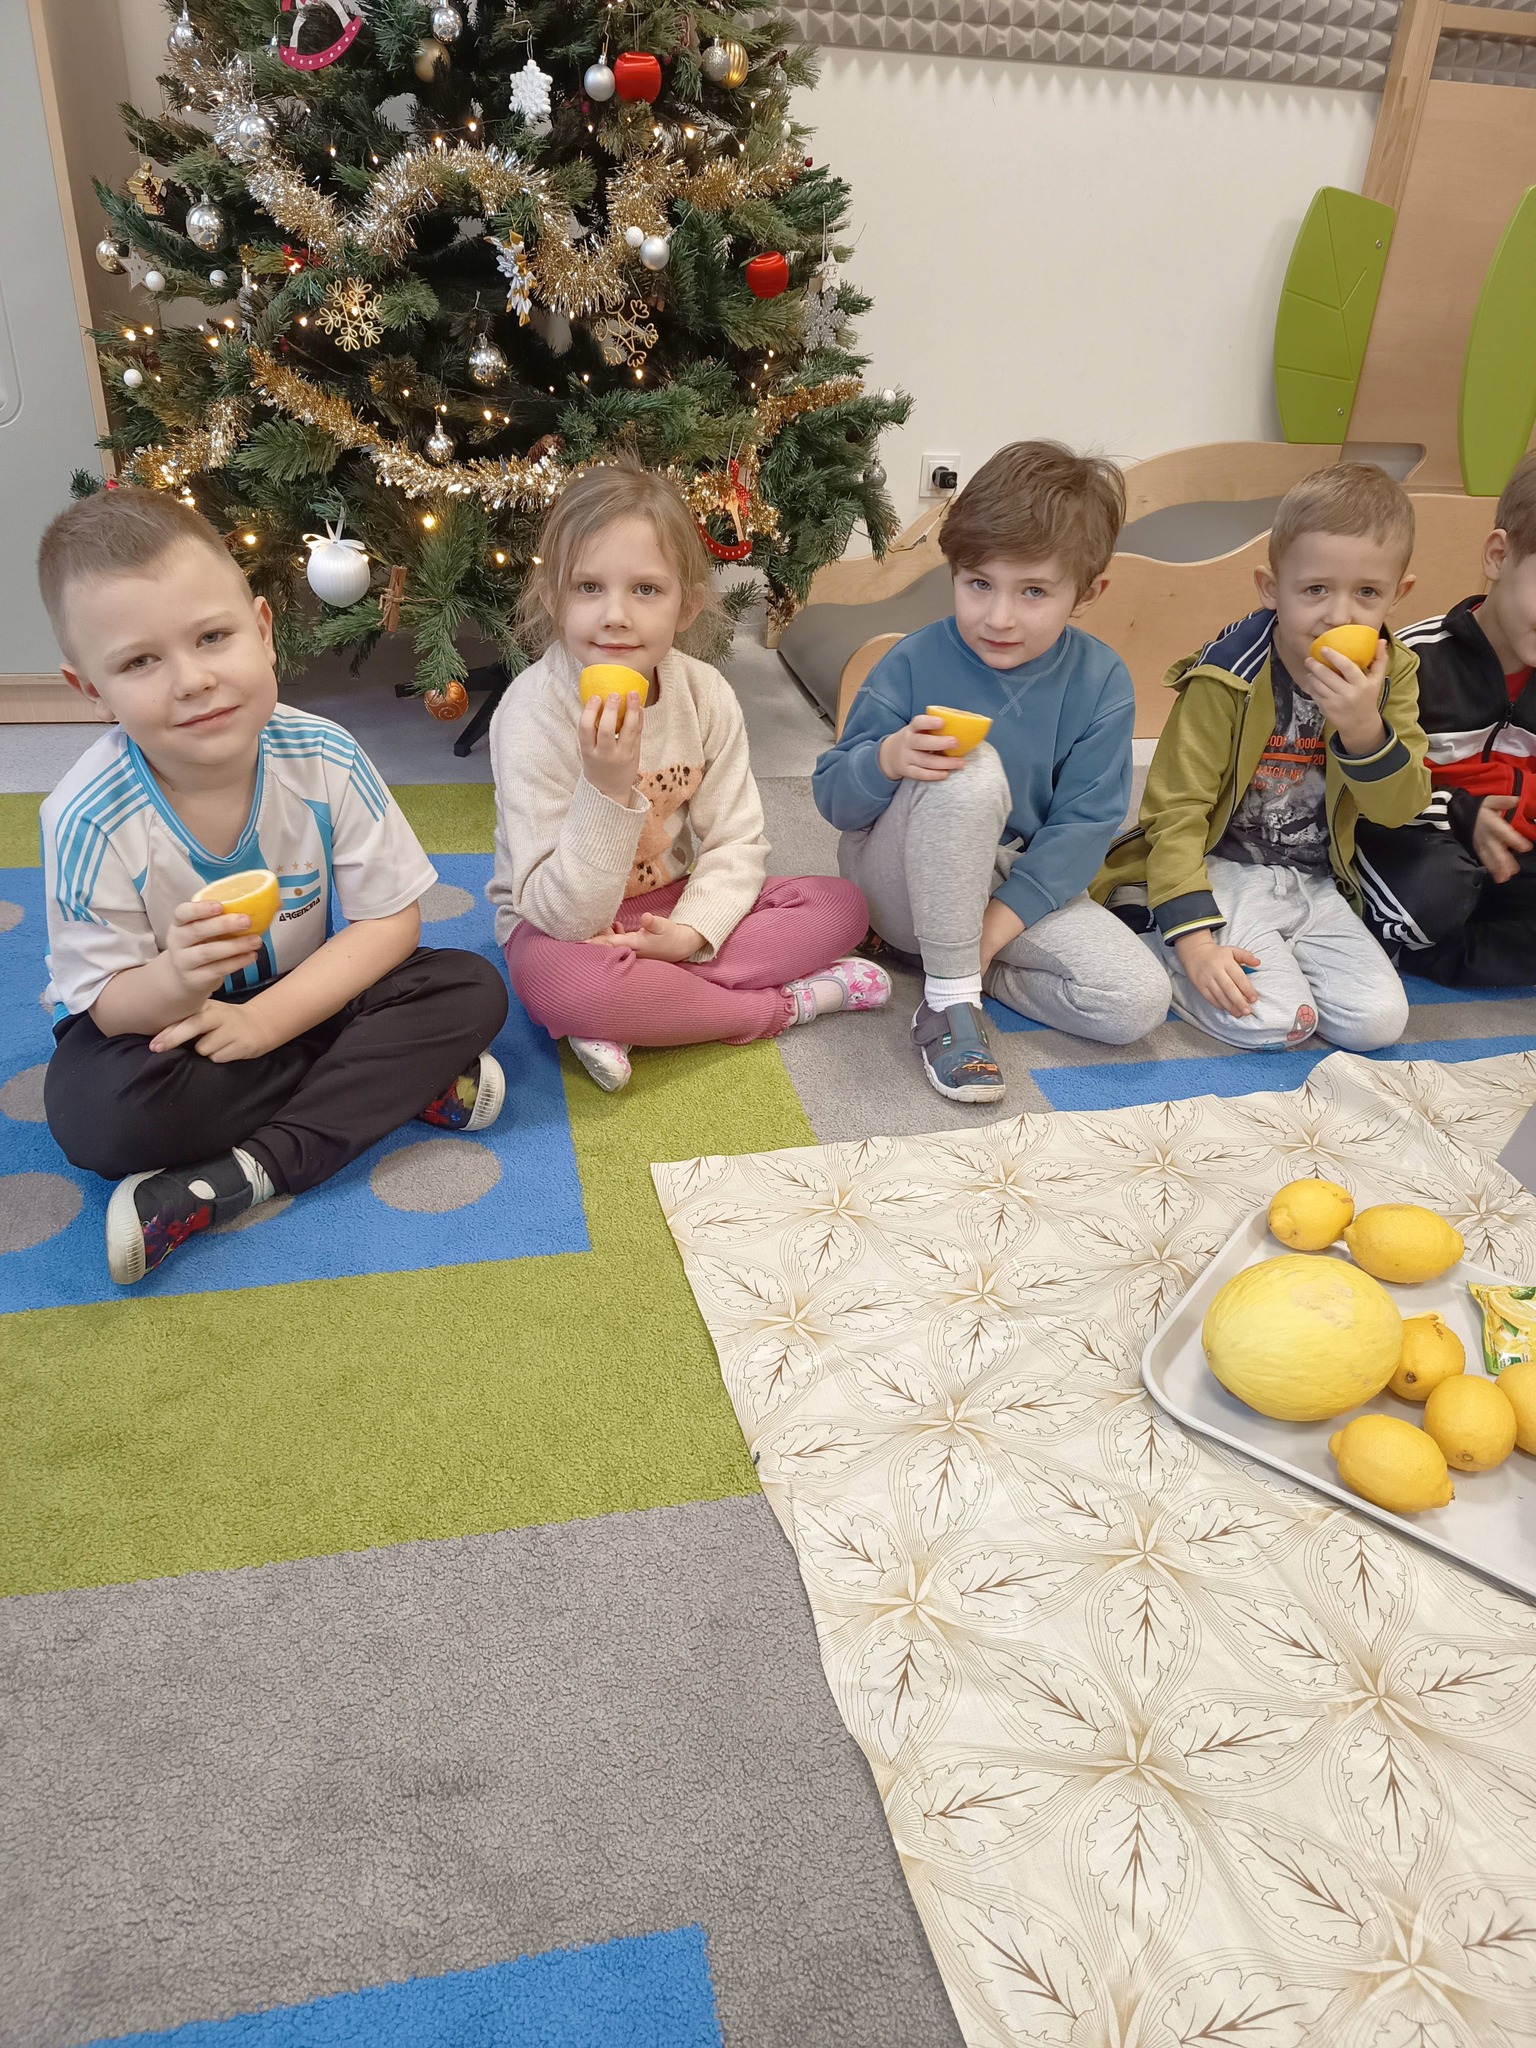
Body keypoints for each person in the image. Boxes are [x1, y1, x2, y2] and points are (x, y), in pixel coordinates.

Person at [36, 488, 509, 1285]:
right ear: (91, 691)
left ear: (261, 630)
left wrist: (264, 1023)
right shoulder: (87, 818)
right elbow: (108, 1005)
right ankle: (389, 1084)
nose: (192, 680)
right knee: (94, 1115)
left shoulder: (325, 755)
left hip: (304, 995)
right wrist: (177, 977)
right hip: (165, 1027)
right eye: (140, 662)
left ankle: (239, 1176)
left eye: (212, 637)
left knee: (468, 987)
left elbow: (389, 925)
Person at [489, 461, 887, 1091]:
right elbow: (560, 916)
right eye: (588, 587)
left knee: (842, 906)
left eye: (646, 589)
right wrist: (606, 786)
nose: (615, 615)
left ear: (687, 605)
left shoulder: (705, 693)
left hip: (670, 905)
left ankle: (648, 1005)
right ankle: (785, 1005)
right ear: (552, 597)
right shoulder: (530, 713)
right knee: (563, 989)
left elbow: (736, 841)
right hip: (561, 926)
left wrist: (691, 931)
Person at [811, 440, 1171, 1104]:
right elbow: (835, 800)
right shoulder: (911, 662)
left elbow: (1083, 829)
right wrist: (888, 760)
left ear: (1088, 593)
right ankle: (948, 1001)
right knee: (970, 768)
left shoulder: (1102, 681)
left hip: (1007, 886)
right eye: (979, 584)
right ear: (953, 573)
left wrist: (992, 933)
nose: (999, 617)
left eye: (1033, 591)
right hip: (899, 882)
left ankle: (952, 965)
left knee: (1137, 1000)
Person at [1095, 462, 1428, 1050]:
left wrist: (1364, 730)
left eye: (1367, 593)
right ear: (1271, 587)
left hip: (1316, 883)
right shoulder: (1226, 677)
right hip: (1223, 871)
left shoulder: (1392, 674)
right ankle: (1161, 934)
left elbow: (1399, 810)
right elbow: (1175, 811)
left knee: (1377, 1024)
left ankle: (1278, 951)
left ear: (1397, 595)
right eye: (1315, 589)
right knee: (1277, 1019)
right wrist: (1195, 943)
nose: (1340, 615)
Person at [1355, 451, 1536, 985]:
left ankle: (1451, 953)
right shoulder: (1412, 662)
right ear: (1499, 556)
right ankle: (1417, 942)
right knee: (1435, 891)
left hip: (1513, 857)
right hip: (1421, 842)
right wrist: (1458, 812)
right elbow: (1363, 798)